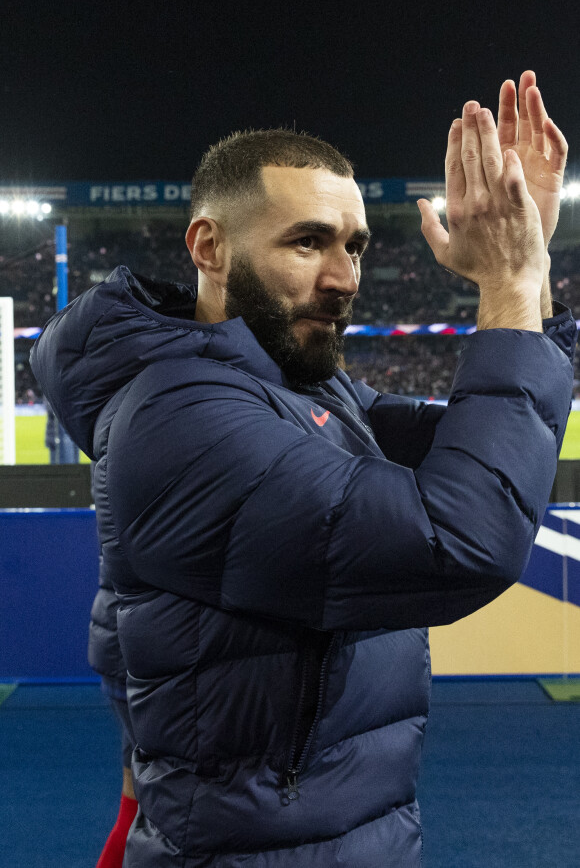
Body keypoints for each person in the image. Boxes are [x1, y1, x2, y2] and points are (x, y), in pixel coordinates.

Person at [31, 71, 575, 867]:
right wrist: (509, 283)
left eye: (354, 245)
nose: (345, 277)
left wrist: (534, 270)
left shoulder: (300, 389)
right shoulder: (181, 421)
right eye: (308, 241)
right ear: (209, 248)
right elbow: (461, 537)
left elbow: (487, 447)